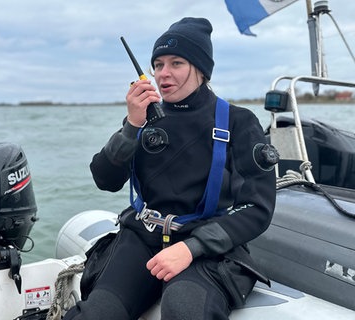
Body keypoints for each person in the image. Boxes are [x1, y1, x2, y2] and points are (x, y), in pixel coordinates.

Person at [63, 17, 277, 320]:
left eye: (176, 63)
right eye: (158, 64)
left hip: (204, 244)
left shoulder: (238, 122)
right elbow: (105, 180)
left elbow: (258, 208)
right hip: (141, 237)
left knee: (184, 305)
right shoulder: (143, 118)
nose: (164, 74)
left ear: (201, 69)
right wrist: (131, 126)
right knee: (98, 313)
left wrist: (191, 248)